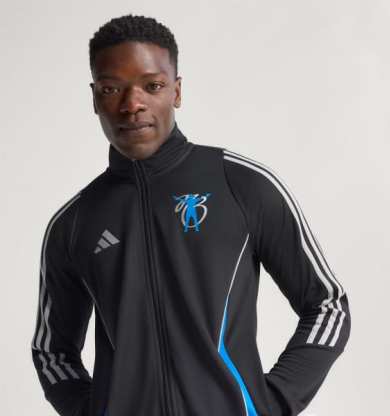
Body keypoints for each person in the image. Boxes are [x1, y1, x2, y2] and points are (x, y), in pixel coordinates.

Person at [31, 14, 351, 416]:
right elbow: (52, 351)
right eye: (112, 89)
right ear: (95, 98)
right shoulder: (74, 223)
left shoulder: (240, 185)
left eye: (153, 86)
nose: (132, 105)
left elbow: (327, 304)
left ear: (176, 92)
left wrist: (270, 403)